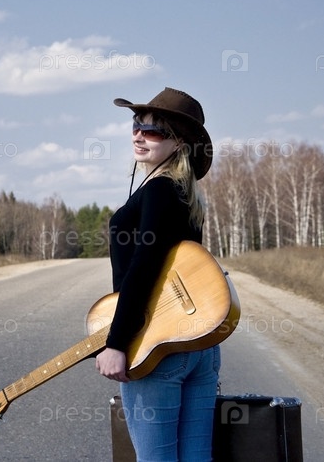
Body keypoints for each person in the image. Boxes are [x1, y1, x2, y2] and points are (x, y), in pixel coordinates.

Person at [95, 87, 219, 461]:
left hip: (159, 345)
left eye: (153, 131)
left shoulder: (160, 190)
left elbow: (144, 267)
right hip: (199, 347)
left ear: (179, 142)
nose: (139, 135)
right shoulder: (184, 193)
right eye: (137, 125)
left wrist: (117, 343)